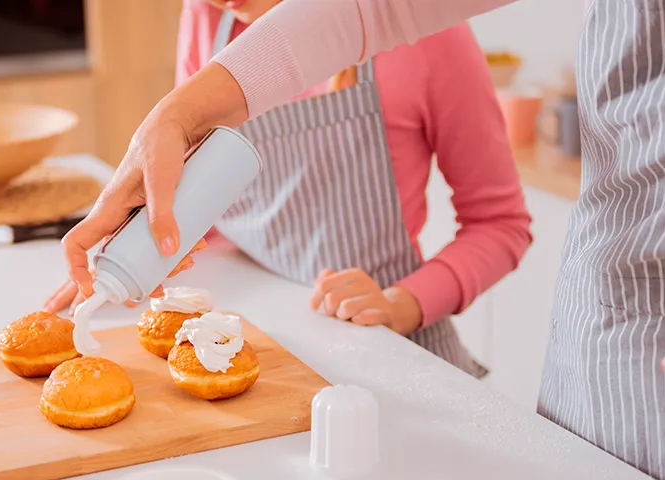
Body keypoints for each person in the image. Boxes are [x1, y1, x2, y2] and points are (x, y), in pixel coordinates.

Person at [55, 0, 665, 477]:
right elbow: (208, 201)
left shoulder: (432, 40)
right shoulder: (208, 25)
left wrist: (404, 300)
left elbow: (502, 224)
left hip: (398, 366)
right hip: (274, 346)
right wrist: (154, 251)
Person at [48, 0, 533, 380]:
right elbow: (200, 188)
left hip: (388, 346)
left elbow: (501, 224)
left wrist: (401, 304)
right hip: (271, 331)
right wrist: (138, 251)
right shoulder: (206, 15)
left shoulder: (424, 30)